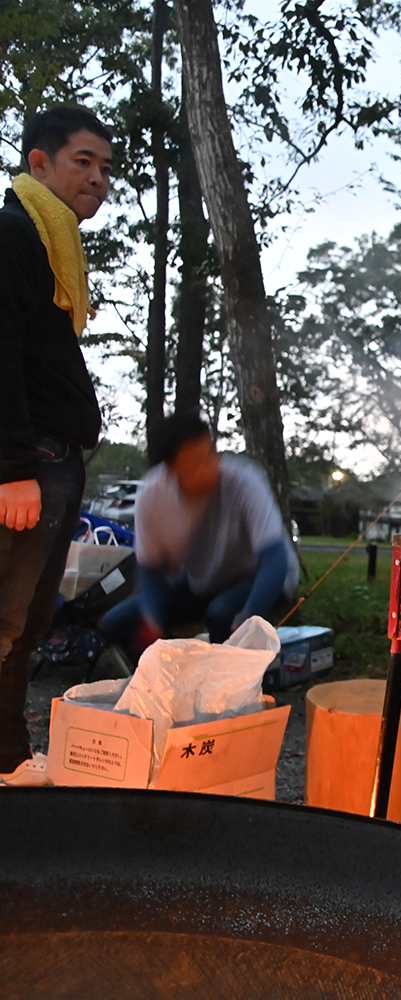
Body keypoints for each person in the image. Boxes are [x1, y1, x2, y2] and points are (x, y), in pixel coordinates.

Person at [0, 107, 113, 787]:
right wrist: (12, 468)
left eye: (105, 169)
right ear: (38, 164)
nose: (98, 179)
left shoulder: (53, 245)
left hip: (53, 458)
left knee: (28, 619)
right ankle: (6, 757)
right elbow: (0, 351)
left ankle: (8, 756)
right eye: (83, 162)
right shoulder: (14, 233)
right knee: (7, 618)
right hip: (28, 462)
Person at [101, 412, 297, 658]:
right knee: (116, 621)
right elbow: (150, 571)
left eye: (211, 455)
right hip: (203, 582)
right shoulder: (152, 496)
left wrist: (247, 619)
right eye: (195, 463)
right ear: (171, 470)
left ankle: (230, 687)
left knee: (222, 613)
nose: (210, 467)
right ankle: (165, 682)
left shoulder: (243, 481)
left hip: (258, 578)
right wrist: (153, 620)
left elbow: (275, 560)